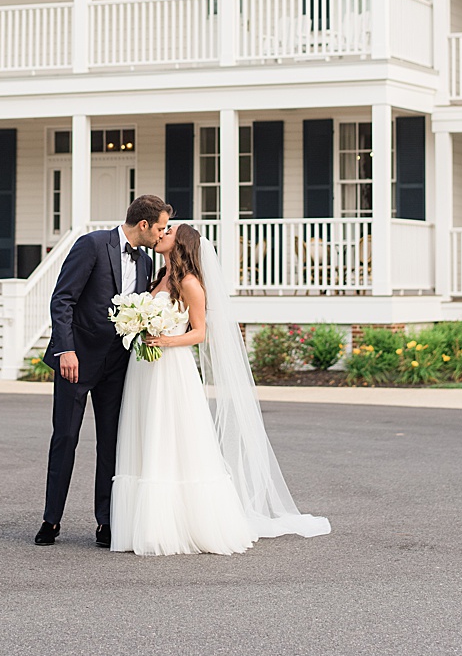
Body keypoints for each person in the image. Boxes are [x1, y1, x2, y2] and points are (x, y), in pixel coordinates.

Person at [111, 223, 331, 556]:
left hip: (172, 369)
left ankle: (179, 526)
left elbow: (199, 333)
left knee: (174, 441)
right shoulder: (156, 279)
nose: (161, 235)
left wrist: (165, 339)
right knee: (147, 437)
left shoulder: (190, 284)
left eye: (167, 232)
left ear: (180, 244)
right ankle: (146, 525)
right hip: (144, 370)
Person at [36, 195, 168, 547]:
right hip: (76, 362)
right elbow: (62, 299)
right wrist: (65, 349)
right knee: (65, 438)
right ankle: (51, 520)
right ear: (143, 225)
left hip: (117, 365)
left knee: (112, 443)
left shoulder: (145, 261)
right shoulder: (92, 245)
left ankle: (106, 522)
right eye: (159, 228)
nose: (161, 235)